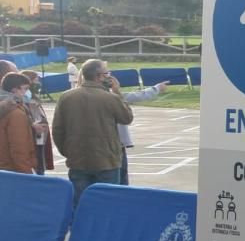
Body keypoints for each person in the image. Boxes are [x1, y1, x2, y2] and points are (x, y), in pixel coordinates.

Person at [51, 59, 133, 205]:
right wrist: (118, 92)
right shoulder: (111, 98)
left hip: (78, 158)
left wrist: (67, 151)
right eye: (107, 73)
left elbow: (57, 129)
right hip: (106, 160)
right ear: (99, 76)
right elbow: (126, 118)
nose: (109, 76)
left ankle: (81, 227)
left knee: (80, 203)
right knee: (107, 203)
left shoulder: (66, 97)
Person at [118, 81, 169, 185]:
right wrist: (157, 88)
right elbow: (128, 114)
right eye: (106, 74)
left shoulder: (75, 96)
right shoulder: (112, 97)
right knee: (118, 179)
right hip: (113, 146)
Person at [0, 73, 37, 174]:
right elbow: (19, 149)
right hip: (12, 171)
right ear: (14, 90)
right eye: (25, 88)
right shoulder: (16, 114)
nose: (27, 92)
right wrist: (28, 174)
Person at [19, 71, 53, 175]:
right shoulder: (25, 102)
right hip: (34, 141)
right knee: (38, 166)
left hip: (40, 140)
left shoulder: (33, 100)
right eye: (36, 80)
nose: (38, 83)